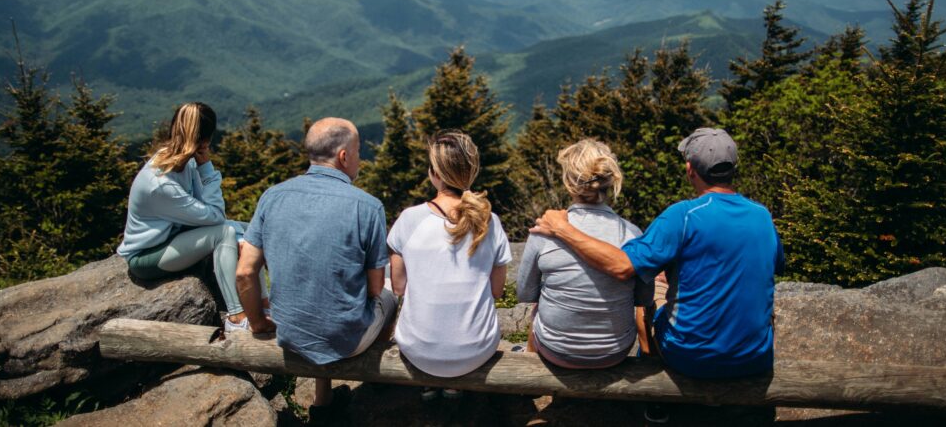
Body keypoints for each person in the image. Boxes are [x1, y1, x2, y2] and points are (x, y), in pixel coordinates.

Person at [531, 128, 784, 421]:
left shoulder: (683, 215)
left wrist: (563, 229)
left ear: (690, 170)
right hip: (754, 357)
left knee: (652, 296)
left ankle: (656, 400)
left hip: (692, 357)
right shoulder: (762, 215)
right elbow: (770, 265)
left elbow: (623, 266)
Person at [234, 117, 396, 422]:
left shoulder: (273, 196)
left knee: (318, 291)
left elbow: (244, 272)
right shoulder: (368, 206)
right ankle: (378, 380)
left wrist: (257, 322)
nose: (360, 158)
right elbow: (375, 289)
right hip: (347, 341)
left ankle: (323, 401)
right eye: (359, 151)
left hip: (290, 333)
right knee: (390, 298)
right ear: (344, 156)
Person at [117, 102, 267, 332]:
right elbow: (216, 216)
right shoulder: (161, 184)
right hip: (147, 256)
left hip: (174, 238)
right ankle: (236, 317)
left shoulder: (180, 162)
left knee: (250, 230)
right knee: (224, 233)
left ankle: (263, 306)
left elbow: (207, 211)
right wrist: (207, 168)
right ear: (205, 141)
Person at [388, 130, 511, 399]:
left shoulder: (409, 219)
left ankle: (431, 382)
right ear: (471, 173)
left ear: (435, 174)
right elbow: (497, 290)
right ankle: (455, 386)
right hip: (476, 350)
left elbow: (398, 287)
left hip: (419, 350)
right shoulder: (490, 221)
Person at [516, 139, 643, 369]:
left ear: (568, 182)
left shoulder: (544, 230)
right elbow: (643, 298)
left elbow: (525, 293)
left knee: (538, 307)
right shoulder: (633, 234)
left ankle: (528, 362)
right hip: (615, 352)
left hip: (556, 351)